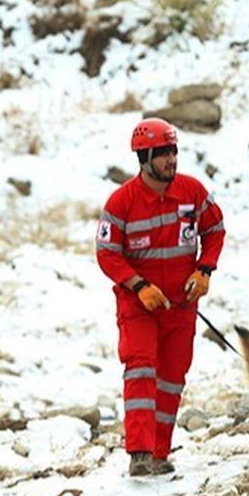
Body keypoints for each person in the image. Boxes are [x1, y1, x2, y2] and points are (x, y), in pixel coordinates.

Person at [95, 118, 225, 476]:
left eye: (174, 151)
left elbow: (215, 229)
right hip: (138, 305)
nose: (172, 159)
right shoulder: (121, 202)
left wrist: (205, 269)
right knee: (141, 369)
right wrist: (138, 285)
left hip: (181, 306)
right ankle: (139, 453)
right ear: (144, 157)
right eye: (164, 153)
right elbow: (107, 252)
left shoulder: (193, 192)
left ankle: (159, 453)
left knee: (171, 377)